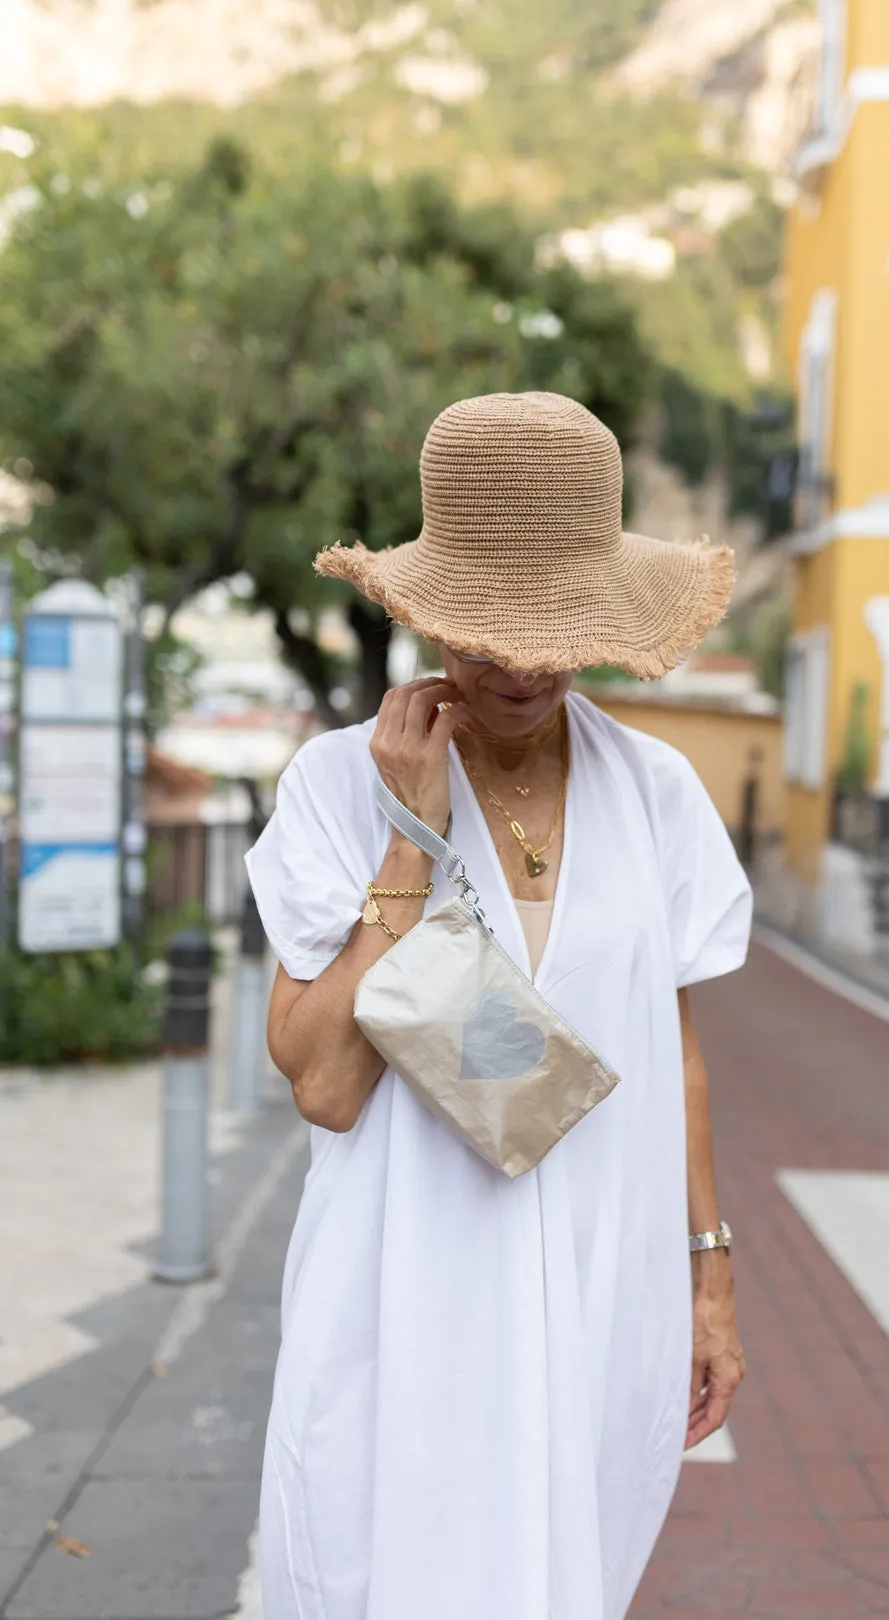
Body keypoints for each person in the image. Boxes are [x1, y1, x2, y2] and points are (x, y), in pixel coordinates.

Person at [245, 391, 752, 1620]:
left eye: (553, 629)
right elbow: (321, 1080)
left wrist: (710, 1277)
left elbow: (671, 1050)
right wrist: (410, 839)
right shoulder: (335, 784)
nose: (520, 665)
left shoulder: (659, 791)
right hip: (401, 1278)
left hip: (598, 1274)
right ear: (426, 611)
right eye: (483, 631)